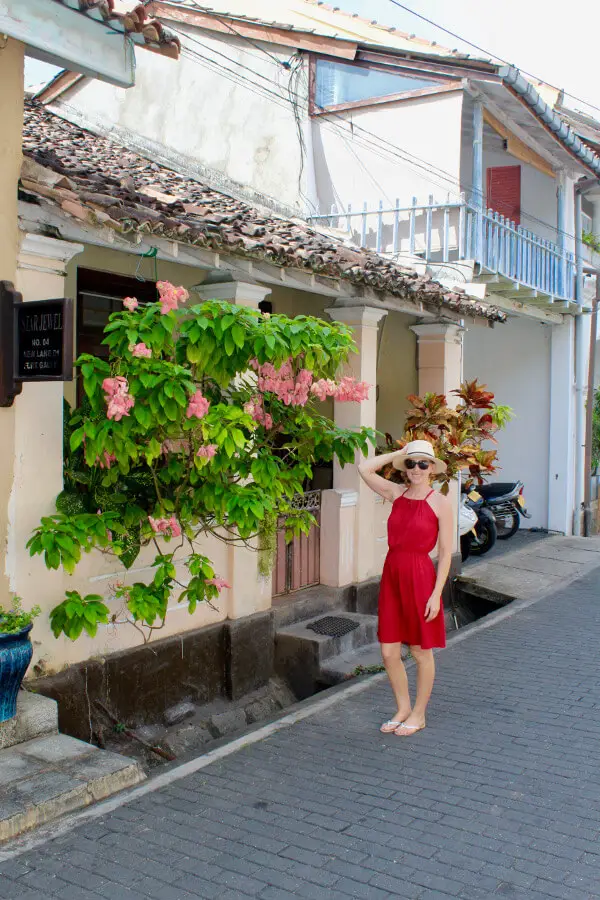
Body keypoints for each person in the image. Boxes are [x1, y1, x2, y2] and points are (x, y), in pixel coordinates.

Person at [358, 440, 453, 737]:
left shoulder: (440, 502)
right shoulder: (395, 493)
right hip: (393, 574)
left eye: (423, 463)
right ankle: (402, 708)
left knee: (420, 651)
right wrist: (400, 453)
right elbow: (364, 467)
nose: (416, 469)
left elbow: (447, 552)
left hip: (421, 577)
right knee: (388, 651)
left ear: (433, 469)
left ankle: (419, 714)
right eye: (411, 464)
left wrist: (437, 594)